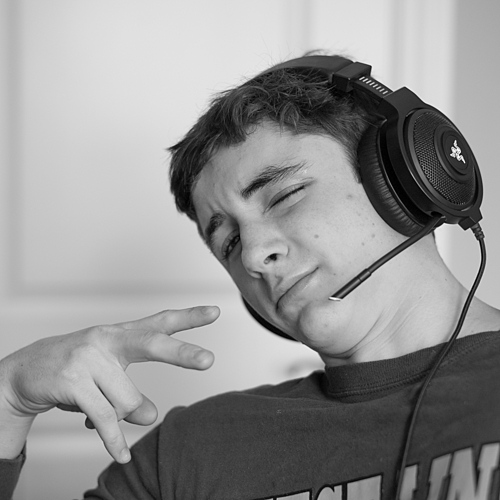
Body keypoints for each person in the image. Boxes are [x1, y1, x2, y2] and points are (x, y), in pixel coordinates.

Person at [1, 53, 500, 500]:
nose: (256, 256)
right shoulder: (184, 455)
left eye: (284, 196)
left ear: (409, 178)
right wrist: (7, 401)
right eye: (230, 243)